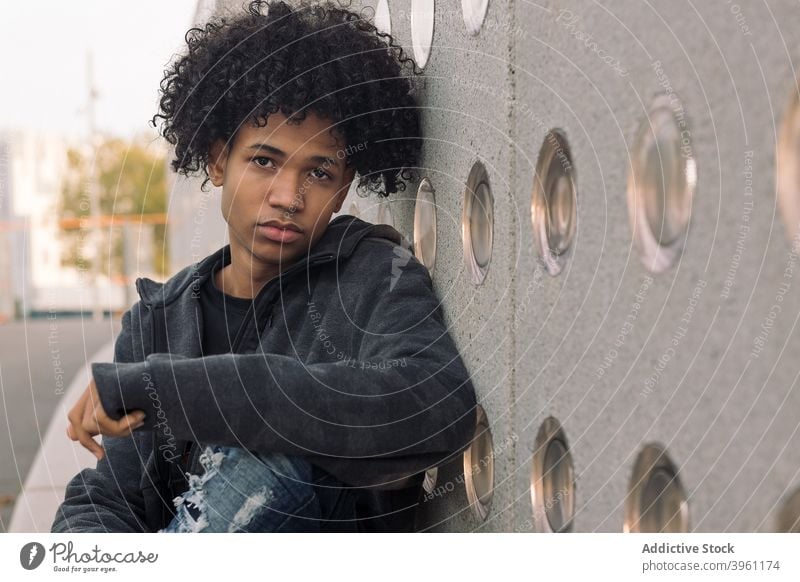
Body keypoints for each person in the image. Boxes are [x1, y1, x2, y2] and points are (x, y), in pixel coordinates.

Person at [51, 0, 477, 533]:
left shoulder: (375, 275)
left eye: (318, 173)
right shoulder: (158, 320)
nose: (288, 197)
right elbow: (110, 498)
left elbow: (434, 407)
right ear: (216, 161)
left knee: (274, 456)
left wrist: (176, 390)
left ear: (343, 189)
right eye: (264, 161)